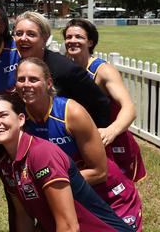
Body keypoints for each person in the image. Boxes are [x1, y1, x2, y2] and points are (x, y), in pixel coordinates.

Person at [16, 58, 142, 231]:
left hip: (109, 196)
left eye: (33, 79)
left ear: (48, 83)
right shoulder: (21, 120)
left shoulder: (71, 113)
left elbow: (100, 172)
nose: (26, 84)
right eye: (21, 79)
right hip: (71, 197)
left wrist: (51, 186)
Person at [0, 93, 133, 232]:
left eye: (3, 115)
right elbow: (23, 217)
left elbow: (69, 226)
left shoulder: (41, 154)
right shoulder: (6, 164)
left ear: (21, 120)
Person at [63, 19, 146, 182]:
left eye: (79, 37)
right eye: (68, 37)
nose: (72, 40)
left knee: (116, 194)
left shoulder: (103, 71)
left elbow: (129, 108)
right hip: (83, 141)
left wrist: (111, 131)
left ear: (90, 42)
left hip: (111, 142)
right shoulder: (65, 68)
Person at [12, 11, 111, 128]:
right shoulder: (12, 64)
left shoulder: (66, 69)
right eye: (19, 33)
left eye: (31, 34)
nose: (23, 38)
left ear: (45, 38)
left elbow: (100, 105)